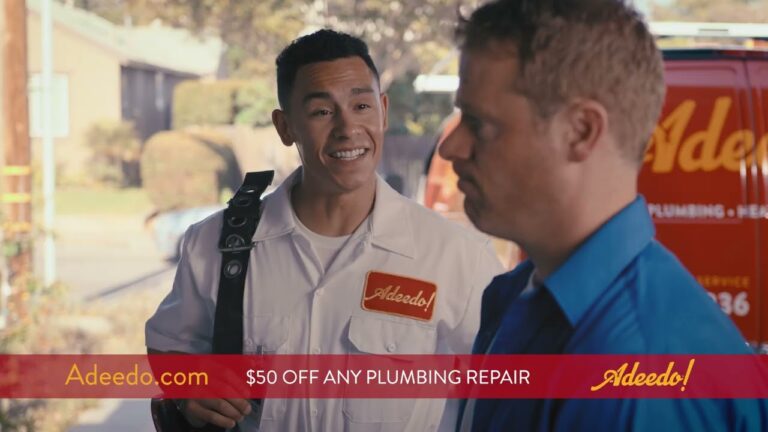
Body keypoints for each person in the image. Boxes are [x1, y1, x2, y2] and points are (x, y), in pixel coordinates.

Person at [146, 29, 503, 432]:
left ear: (383, 111)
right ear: (285, 127)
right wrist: (190, 384)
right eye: (322, 112)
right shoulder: (214, 246)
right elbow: (169, 342)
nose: (348, 128)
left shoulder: (454, 255)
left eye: (362, 105)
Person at [438, 0, 768, 431]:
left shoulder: (636, 377)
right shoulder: (520, 294)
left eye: (479, 124)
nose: (450, 148)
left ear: (580, 132)